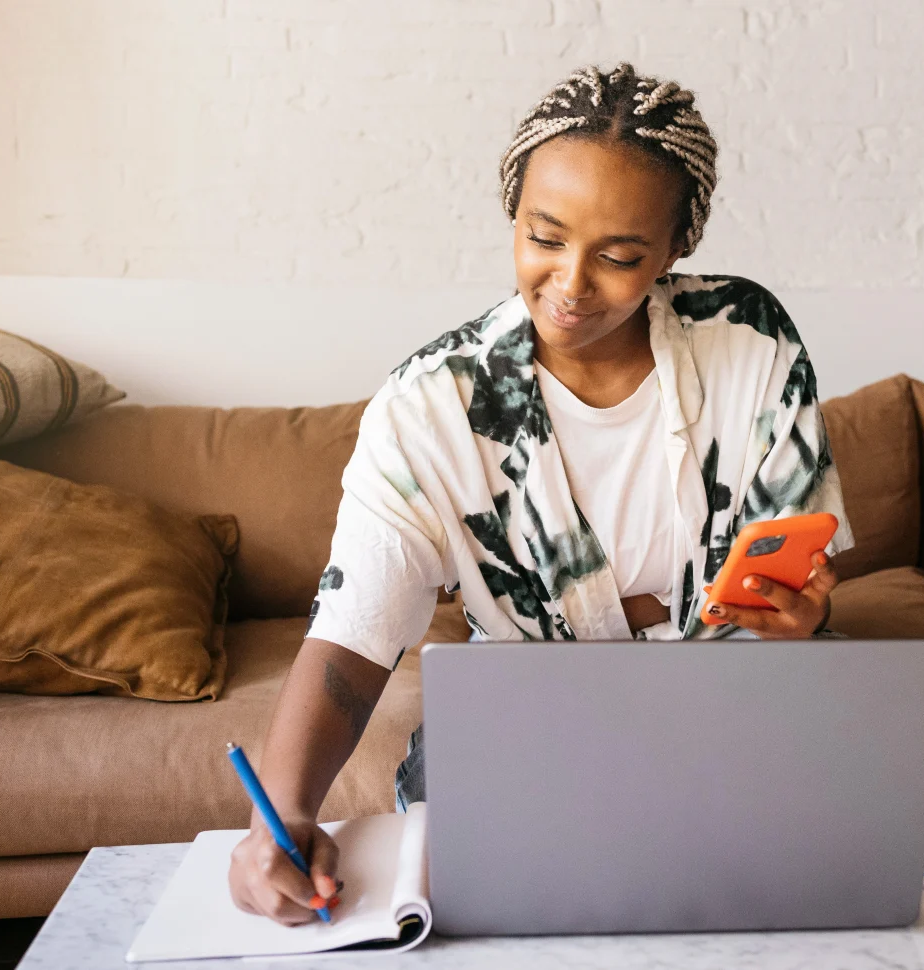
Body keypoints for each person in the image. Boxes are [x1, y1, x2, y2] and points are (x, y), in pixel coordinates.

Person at [227, 62, 854, 925]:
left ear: (676, 248)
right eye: (544, 236)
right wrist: (289, 811)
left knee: (790, 901)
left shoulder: (749, 340)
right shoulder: (429, 407)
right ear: (512, 212)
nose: (570, 282)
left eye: (621, 256)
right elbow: (351, 636)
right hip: (525, 727)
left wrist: (804, 620)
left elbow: (798, 574)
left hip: (730, 710)